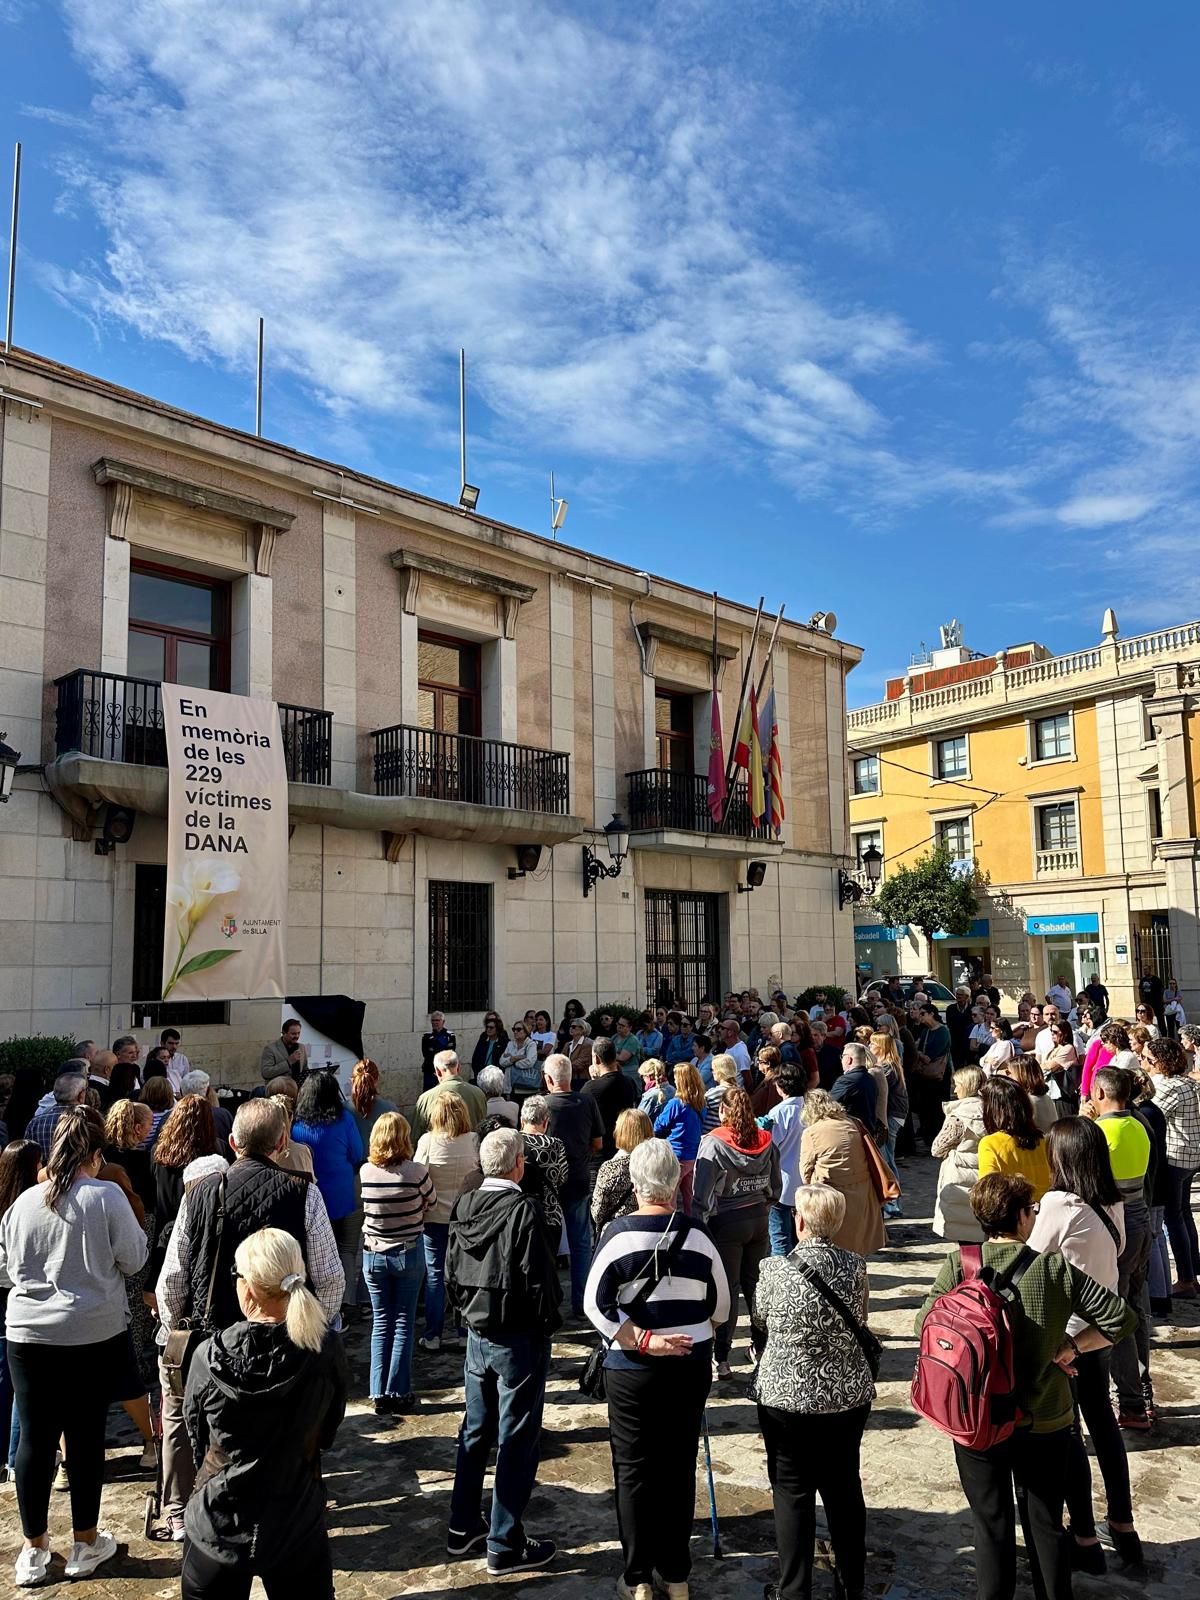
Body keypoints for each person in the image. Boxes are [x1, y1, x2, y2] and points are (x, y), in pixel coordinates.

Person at [916, 1174, 1136, 1600]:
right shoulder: (1054, 1269)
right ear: (1020, 1216)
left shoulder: (960, 1265)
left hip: (977, 1415)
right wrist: (1072, 1345)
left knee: (991, 1523)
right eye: (1032, 1209)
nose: (1035, 1215)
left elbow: (924, 1322)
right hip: (1045, 1417)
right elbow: (1120, 1318)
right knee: (1046, 1524)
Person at [0, 1107, 148, 1585]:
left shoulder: (23, 1202)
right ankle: (85, 1542)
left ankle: (33, 1550)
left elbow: (4, 1270)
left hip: (28, 1332)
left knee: (37, 1438)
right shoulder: (105, 1195)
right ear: (97, 1154)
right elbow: (133, 1258)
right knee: (85, 1436)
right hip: (91, 1330)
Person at [583, 1140, 730, 1600]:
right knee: (678, 1466)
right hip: (688, 1364)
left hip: (631, 1369)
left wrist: (643, 1339)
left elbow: (593, 1304)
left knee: (633, 1470)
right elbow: (722, 1307)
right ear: (678, 1181)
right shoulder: (700, 1236)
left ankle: (638, 1578)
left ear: (634, 1183)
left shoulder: (618, 1235)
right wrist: (687, 1327)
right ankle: (677, 1574)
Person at [182, 1227, 347, 1600]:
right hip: (295, 1515)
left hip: (219, 1520)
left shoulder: (209, 1357)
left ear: (249, 1288)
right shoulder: (325, 1349)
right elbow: (329, 1430)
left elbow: (196, 1438)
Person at [445, 1128, 562, 1575]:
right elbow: (541, 1284)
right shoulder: (524, 1212)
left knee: (475, 1432)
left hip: (478, 1334)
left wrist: (468, 1315)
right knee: (516, 1438)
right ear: (518, 1164)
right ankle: (504, 1542)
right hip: (517, 1338)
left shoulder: (466, 1204)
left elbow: (451, 1270)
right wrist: (545, 1328)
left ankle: (462, 1525)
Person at [1028, 1118, 1141, 1574]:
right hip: (1104, 1328)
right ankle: (1124, 1524)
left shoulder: (1059, 1204)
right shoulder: (1112, 1201)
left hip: (1067, 1334)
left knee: (1069, 1432)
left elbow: (1031, 1262)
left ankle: (1085, 1536)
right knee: (1104, 1424)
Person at [753, 1184, 876, 1600]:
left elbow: (761, 1318)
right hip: (845, 1393)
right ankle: (852, 1584)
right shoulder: (854, 1266)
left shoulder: (772, 1269)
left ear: (800, 1221)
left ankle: (794, 1590)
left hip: (785, 1395)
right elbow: (859, 1317)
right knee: (844, 1487)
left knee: (792, 1491)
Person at [693, 1085, 781, 1380]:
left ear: (722, 1112)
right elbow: (776, 1184)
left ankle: (722, 1358)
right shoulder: (765, 1140)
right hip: (758, 1216)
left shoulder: (714, 1143)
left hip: (726, 1220)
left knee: (726, 1290)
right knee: (755, 1287)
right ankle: (761, 1348)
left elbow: (701, 1193)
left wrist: (699, 1224)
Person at [360, 1112, 435, 1416]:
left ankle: (378, 1390)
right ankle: (399, 1390)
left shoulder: (366, 1171)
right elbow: (429, 1202)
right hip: (407, 1251)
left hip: (373, 1254)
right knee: (403, 1321)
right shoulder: (416, 1172)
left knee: (381, 1321)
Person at [289, 1070, 364, 1315]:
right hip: (344, 1193)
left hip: (312, 1197)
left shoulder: (296, 1125)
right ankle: (346, 1302)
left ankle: (319, 1304)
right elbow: (357, 1154)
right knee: (348, 1249)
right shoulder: (345, 1119)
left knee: (316, 1252)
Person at [414, 1094, 480, 1352]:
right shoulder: (474, 1140)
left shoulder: (427, 1142)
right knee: (464, 1274)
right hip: (465, 1217)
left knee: (435, 1277)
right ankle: (464, 1331)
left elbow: (418, 1177)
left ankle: (433, 1334)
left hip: (434, 1217)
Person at [543, 1056, 603, 1318]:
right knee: (580, 1243)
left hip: (549, 1183)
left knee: (546, 1244)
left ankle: (547, 1304)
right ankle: (581, 1304)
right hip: (578, 1177)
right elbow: (598, 1142)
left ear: (548, 1079)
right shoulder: (586, 1101)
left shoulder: (541, 1105)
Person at [1145, 1035, 1200, 1299]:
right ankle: (1192, 1273)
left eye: (1149, 1060)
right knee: (1184, 1214)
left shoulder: (1169, 1087)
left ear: (1160, 1062)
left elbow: (1148, 1115)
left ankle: (1187, 1279)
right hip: (1190, 1156)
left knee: (1174, 1217)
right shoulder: (1186, 1083)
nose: (1146, 1063)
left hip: (1176, 1158)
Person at [798, 1091, 885, 1257]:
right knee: (858, 1247)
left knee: (833, 1249)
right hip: (862, 1192)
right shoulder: (852, 1123)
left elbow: (805, 1172)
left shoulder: (812, 1132)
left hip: (831, 1196)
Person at [931, 1067, 988, 1242]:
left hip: (959, 1175)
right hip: (986, 1172)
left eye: (957, 1085)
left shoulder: (958, 1117)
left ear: (967, 1086)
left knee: (964, 1235)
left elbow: (937, 1148)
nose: (955, 1090)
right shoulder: (993, 1110)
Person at [977, 1076, 1051, 1201]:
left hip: (1013, 1215)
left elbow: (988, 1195)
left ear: (991, 1108)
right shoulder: (1044, 1140)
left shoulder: (990, 1144)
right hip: (1044, 1212)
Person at [652, 1062, 705, 1213]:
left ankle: (671, 1228)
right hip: (693, 1154)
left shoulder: (676, 1103)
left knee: (670, 1198)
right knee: (690, 1197)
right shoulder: (701, 1102)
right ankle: (692, 1226)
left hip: (677, 1155)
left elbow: (658, 1126)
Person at [590, 1109, 653, 1234]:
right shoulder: (655, 1163)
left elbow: (597, 1213)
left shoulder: (610, 1168)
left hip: (617, 1233)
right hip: (648, 1230)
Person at [516, 1097, 567, 1240]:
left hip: (520, 1214)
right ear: (545, 1122)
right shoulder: (556, 1144)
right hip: (550, 1216)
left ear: (522, 1121)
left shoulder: (513, 1142)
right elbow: (562, 1177)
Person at [411, 1050, 487, 1142]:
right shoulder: (478, 1094)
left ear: (438, 1072)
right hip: (472, 1151)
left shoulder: (426, 1098)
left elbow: (415, 1137)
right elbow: (484, 1128)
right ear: (458, 1068)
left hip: (437, 1153)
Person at [583, 1037, 638, 1158]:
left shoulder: (591, 1088)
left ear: (596, 1058)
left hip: (602, 1151)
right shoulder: (629, 1082)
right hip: (625, 1146)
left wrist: (593, 1081)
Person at [911, 1004, 952, 1146]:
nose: (920, 1016)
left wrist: (919, 1053)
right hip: (925, 1076)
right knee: (925, 1107)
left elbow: (928, 1056)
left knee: (937, 1108)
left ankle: (938, 1136)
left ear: (931, 1014)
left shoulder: (942, 1032)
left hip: (939, 1076)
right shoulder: (925, 1032)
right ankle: (928, 1136)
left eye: (923, 1013)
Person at [24, 1072, 86, 1162]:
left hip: (43, 1174)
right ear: (81, 1095)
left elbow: (28, 1155)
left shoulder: (35, 1123)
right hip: (79, 1174)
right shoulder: (87, 1119)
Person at [998, 1055, 1060, 1135]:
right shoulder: (1045, 1098)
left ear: (1022, 1075)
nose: (1006, 1076)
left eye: (1009, 1072)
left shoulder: (1026, 1101)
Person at [348, 1057, 396, 1148]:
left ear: (352, 1081)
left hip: (352, 1161)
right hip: (381, 1160)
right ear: (377, 1080)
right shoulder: (391, 1110)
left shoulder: (342, 1110)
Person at [830, 1043, 878, 1128]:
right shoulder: (870, 1078)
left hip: (851, 1131)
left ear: (849, 1059)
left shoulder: (847, 1080)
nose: (841, 1060)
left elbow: (829, 1103)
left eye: (842, 1056)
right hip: (867, 1129)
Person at [1081, 1021, 1128, 1101]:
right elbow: (1087, 1068)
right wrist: (1084, 1092)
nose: (1103, 1043)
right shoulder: (1098, 1044)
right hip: (1094, 1090)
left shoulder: (1123, 1053)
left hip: (1110, 1094)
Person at [499, 1021, 541, 1099]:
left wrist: (513, 1062)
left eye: (518, 1029)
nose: (515, 1032)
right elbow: (502, 1062)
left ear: (525, 1032)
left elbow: (529, 1062)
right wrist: (516, 1058)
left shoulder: (531, 1044)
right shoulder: (510, 1044)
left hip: (527, 1086)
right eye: (514, 1029)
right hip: (511, 1086)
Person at [259, 1017, 308, 1083]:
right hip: (278, 1090)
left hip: (298, 1089)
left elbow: (305, 1069)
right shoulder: (270, 1049)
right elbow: (266, 1073)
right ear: (284, 1033)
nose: (296, 1036)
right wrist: (288, 1062)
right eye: (293, 1034)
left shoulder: (301, 1047)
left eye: (298, 1033)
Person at [421, 1012, 457, 1091]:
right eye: (433, 1021)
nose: (435, 1023)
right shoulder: (426, 1036)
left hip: (445, 1070)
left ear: (443, 1022)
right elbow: (426, 1054)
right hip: (430, 1069)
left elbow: (449, 1053)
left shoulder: (450, 1036)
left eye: (437, 1020)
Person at [718, 1017, 752, 1084]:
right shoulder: (729, 1047)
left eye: (722, 1028)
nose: (719, 1030)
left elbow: (748, 1078)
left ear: (730, 1032)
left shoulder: (740, 1051)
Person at [567, 1018, 593, 1085]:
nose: (571, 1028)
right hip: (569, 1078)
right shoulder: (567, 1044)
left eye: (574, 1027)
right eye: (570, 1026)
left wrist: (564, 1067)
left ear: (582, 1029)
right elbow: (561, 1059)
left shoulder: (588, 1044)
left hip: (582, 1079)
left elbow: (580, 1064)